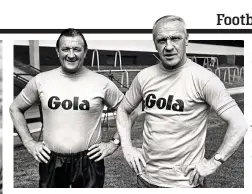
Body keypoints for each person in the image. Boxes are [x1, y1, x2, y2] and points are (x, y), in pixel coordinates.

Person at [116, 15, 248, 188]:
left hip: (186, 183)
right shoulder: (144, 77)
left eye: (175, 38)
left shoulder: (204, 79)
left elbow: (239, 124)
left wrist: (213, 163)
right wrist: (126, 148)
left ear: (186, 39)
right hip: (146, 179)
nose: (169, 46)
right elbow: (123, 110)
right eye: (162, 40)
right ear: (155, 43)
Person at [10, 28, 123, 188]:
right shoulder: (41, 80)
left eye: (76, 49)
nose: (71, 54)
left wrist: (114, 143)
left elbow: (128, 110)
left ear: (85, 52)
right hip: (51, 160)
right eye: (65, 49)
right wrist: (29, 142)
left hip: (89, 161)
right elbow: (15, 108)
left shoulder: (101, 83)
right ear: (57, 51)